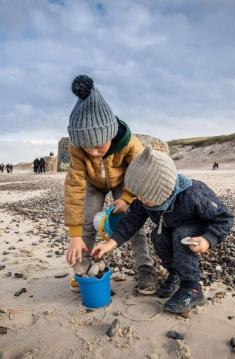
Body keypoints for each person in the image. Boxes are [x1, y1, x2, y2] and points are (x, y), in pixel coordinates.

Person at [92, 147, 234, 314]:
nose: (140, 199)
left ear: (163, 191)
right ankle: (175, 274)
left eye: (145, 196)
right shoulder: (144, 199)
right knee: (157, 236)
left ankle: (192, 288)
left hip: (197, 231)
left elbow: (225, 218)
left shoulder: (193, 194)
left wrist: (208, 239)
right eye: (138, 195)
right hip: (171, 227)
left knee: (181, 235)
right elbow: (131, 221)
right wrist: (110, 243)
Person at [65, 75, 156, 294]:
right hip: (93, 184)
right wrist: (74, 235)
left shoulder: (131, 144)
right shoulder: (77, 150)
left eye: (98, 145)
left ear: (110, 133)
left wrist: (126, 198)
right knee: (87, 223)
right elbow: (74, 188)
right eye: (87, 147)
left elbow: (140, 173)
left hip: (125, 182)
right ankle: (84, 270)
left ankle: (145, 268)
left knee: (133, 222)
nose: (93, 152)